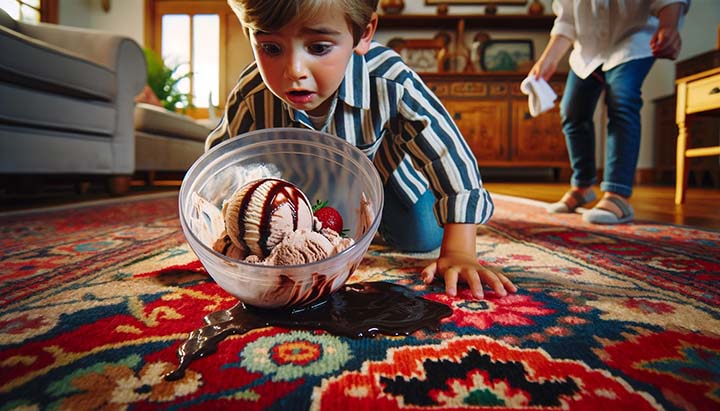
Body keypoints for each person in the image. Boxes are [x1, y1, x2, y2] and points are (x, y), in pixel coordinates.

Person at [208, 0, 517, 299]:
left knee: (421, 237)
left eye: (318, 48)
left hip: (386, 185)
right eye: (271, 48)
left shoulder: (389, 80)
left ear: (363, 34)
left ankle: (376, 227)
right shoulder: (252, 94)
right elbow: (218, 167)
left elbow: (448, 151)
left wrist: (460, 251)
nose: (294, 70)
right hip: (297, 199)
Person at [530, 0, 688, 224]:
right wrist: (549, 59)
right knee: (572, 111)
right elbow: (567, 19)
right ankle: (582, 187)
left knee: (621, 100)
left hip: (633, 41)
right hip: (588, 50)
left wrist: (669, 25)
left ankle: (618, 194)